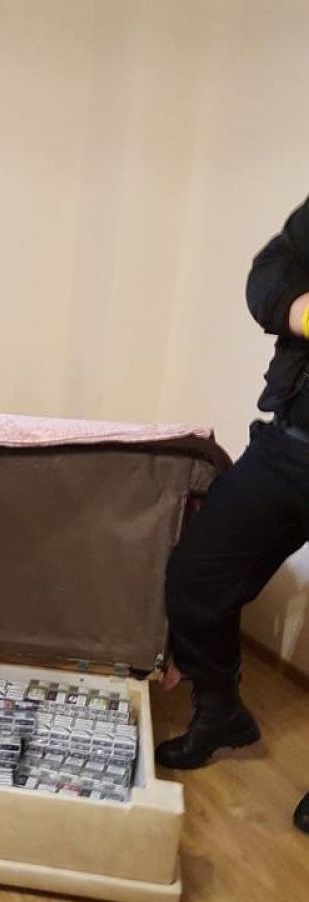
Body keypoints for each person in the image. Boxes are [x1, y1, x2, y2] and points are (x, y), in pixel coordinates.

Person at [156, 187, 309, 832]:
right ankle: (220, 710)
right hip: (292, 442)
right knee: (196, 577)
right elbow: (269, 270)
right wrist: (302, 311)